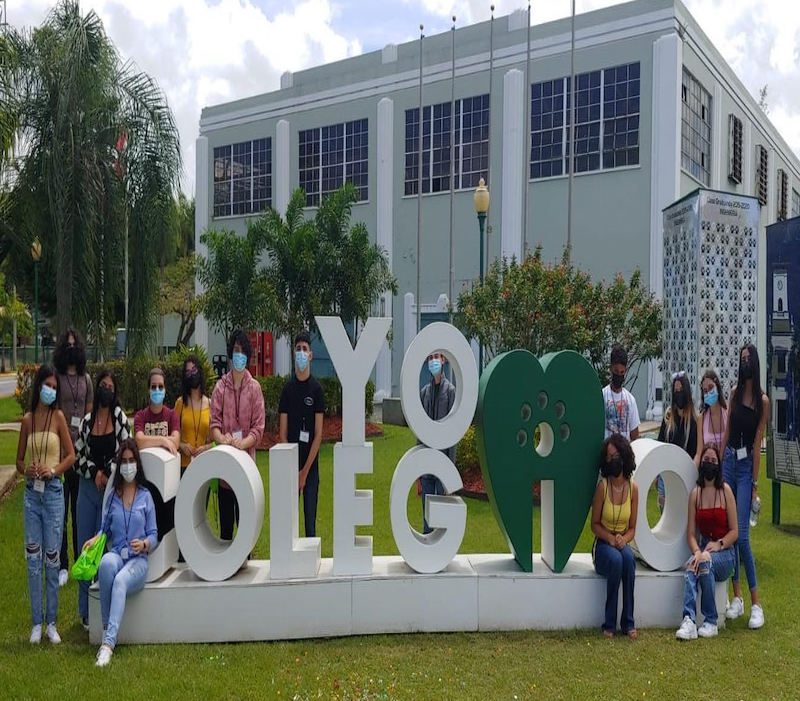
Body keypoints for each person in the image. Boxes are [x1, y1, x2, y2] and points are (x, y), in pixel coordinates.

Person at [83, 439, 157, 667]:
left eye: (131, 461)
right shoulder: (114, 495)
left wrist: (144, 544)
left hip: (138, 562)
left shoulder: (145, 496)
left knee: (120, 581)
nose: (127, 466)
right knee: (106, 565)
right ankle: (107, 628)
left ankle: (108, 645)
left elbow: (154, 534)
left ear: (137, 463)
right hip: (117, 554)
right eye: (123, 461)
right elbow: (104, 527)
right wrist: (96, 538)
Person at [15, 364, 75, 644]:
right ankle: (36, 623)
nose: (50, 390)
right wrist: (25, 468)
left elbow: (70, 456)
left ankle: (51, 622)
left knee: (52, 558)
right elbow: (17, 461)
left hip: (52, 493)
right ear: (38, 385)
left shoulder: (59, 417)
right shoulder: (27, 420)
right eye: (46, 384)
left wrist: (53, 471)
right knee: (33, 560)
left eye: (54, 386)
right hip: (31, 496)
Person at [74, 370, 131, 631]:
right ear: (97, 389)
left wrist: (106, 472)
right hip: (87, 490)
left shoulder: (119, 418)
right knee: (84, 548)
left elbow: (124, 448)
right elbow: (77, 456)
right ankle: (84, 612)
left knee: (104, 549)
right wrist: (94, 472)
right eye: (103, 385)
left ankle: (101, 608)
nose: (106, 390)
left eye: (111, 386)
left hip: (109, 492)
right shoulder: (86, 422)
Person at [720, 344, 768, 629]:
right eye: (742, 359)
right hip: (728, 461)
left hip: (746, 466)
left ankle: (756, 604)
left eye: (749, 359)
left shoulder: (762, 401)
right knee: (727, 529)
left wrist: (754, 484)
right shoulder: (735, 394)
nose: (745, 363)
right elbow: (727, 431)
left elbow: (758, 442)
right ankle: (735, 597)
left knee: (743, 536)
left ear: (756, 363)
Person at [676, 444, 738, 640]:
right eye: (706, 461)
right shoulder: (696, 494)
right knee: (691, 567)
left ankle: (711, 621)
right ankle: (689, 621)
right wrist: (696, 551)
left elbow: (735, 532)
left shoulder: (726, 491)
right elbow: (691, 534)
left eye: (713, 461)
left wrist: (719, 544)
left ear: (718, 465)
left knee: (705, 562)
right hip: (703, 549)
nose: (709, 464)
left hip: (725, 553)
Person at [210, 329, 265, 541]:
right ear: (230, 354)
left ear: (247, 356)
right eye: (235, 350)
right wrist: (223, 440)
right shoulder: (220, 388)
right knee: (225, 529)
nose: (239, 355)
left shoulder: (255, 389)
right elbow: (214, 424)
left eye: (242, 351)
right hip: (225, 469)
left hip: (246, 468)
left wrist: (243, 444)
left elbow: (258, 428)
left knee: (244, 530)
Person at [52, 326, 93, 588]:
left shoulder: (86, 379)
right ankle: (62, 564)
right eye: (66, 345)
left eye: (73, 345)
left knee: (78, 511)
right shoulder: (56, 376)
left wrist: (82, 446)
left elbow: (88, 416)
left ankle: (79, 558)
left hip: (80, 453)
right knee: (60, 511)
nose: (70, 349)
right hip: (60, 453)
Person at [591, 434, 639, 639]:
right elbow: (594, 525)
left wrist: (623, 539)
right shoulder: (602, 487)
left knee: (628, 559)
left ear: (625, 456)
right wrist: (610, 539)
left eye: (617, 455)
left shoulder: (633, 489)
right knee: (617, 561)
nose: (613, 460)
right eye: (609, 457)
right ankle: (609, 623)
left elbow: (632, 528)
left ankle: (628, 622)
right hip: (603, 545)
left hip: (621, 543)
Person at [278, 331, 325, 538]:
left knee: (310, 526)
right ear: (293, 353)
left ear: (311, 355)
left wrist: (304, 473)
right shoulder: (287, 390)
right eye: (298, 349)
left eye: (305, 349)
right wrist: (294, 469)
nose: (301, 353)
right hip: (290, 466)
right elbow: (282, 434)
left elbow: (318, 435)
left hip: (311, 468)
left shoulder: (317, 390)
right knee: (289, 525)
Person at [134, 367, 180, 540]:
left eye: (160, 387)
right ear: (148, 389)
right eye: (153, 387)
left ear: (165, 389)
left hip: (166, 485)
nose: (157, 390)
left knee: (164, 526)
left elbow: (175, 441)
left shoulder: (172, 415)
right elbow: (139, 441)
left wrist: (151, 440)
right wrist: (162, 440)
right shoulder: (141, 416)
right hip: (146, 482)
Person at [415, 351, 456, 534]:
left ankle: (441, 557)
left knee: (442, 518)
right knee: (427, 518)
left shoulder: (451, 391)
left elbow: (453, 434)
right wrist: (417, 473)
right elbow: (420, 432)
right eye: (430, 357)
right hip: (426, 465)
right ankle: (426, 558)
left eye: (437, 357)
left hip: (443, 464)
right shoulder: (424, 392)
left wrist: (451, 472)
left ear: (443, 359)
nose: (434, 361)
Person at [656, 371, 699, 511]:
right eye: (675, 391)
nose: (678, 393)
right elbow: (660, 444)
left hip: (684, 476)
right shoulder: (668, 417)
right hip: (666, 474)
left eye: (681, 390)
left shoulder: (694, 420)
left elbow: (694, 451)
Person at [174, 355, 212, 473]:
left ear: (200, 372)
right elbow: (172, 434)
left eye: (194, 370)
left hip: (204, 464)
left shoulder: (211, 405)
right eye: (188, 372)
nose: (192, 375)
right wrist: (181, 445)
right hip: (182, 466)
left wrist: (206, 448)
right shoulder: (180, 403)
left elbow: (216, 440)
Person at [602, 346, 640, 441]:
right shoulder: (602, 396)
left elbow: (634, 434)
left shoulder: (630, 400)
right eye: (616, 371)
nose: (619, 375)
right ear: (610, 369)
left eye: (622, 372)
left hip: (624, 453)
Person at [696, 369, 728, 464]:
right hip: (710, 469)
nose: (708, 393)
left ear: (717, 387)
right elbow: (699, 452)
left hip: (728, 469)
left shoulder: (728, 413)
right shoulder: (701, 418)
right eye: (705, 391)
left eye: (711, 388)